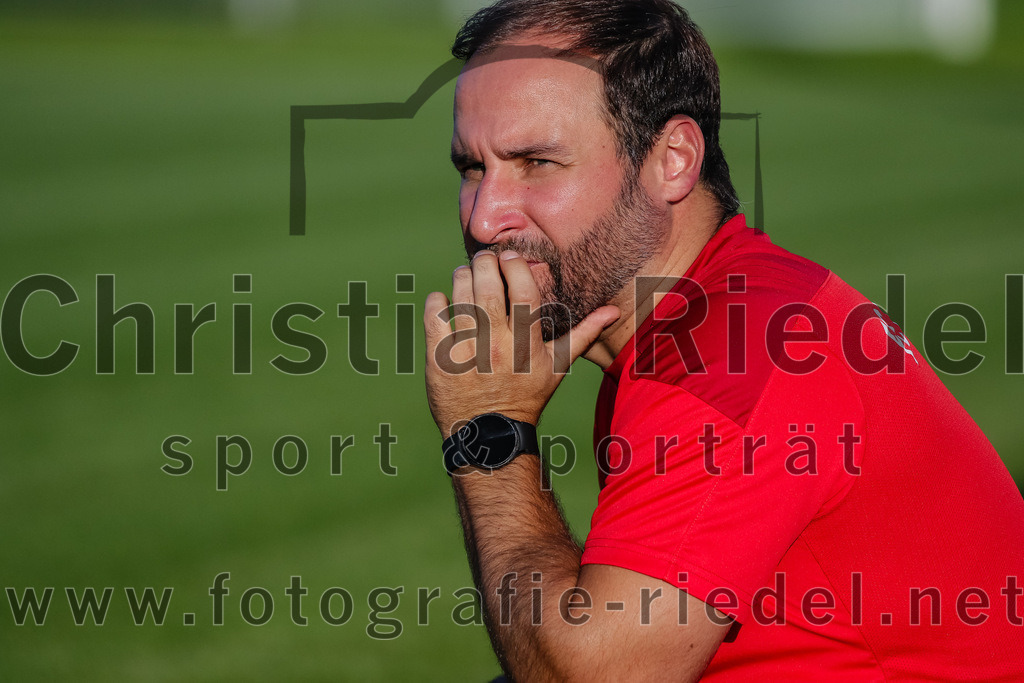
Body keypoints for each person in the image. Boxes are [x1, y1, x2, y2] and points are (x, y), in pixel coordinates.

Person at [422, 1, 1024, 680]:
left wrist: (488, 430)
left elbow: (593, 674)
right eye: (471, 167)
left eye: (536, 161)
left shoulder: (734, 360)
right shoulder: (714, 313)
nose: (485, 215)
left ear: (673, 159)